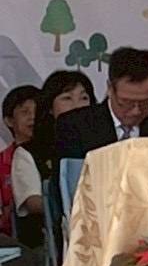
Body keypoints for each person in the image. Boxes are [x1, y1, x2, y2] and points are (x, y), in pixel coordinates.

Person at [55, 47, 148, 159]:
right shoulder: (75, 126)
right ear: (110, 89)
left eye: (145, 103)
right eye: (126, 102)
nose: (136, 111)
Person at [26, 70, 95, 181]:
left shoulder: (103, 145)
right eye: (67, 98)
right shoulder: (30, 154)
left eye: (84, 98)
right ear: (50, 108)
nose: (77, 106)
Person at [2, 86, 40, 243]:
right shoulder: (2, 161)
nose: (33, 117)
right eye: (25, 112)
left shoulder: (55, 153)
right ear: (9, 120)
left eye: (38, 112)